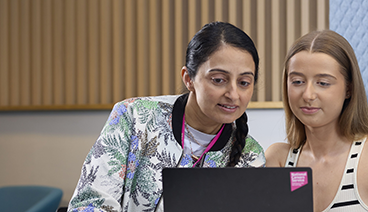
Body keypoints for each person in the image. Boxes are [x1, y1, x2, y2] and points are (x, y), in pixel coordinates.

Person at [67, 22, 265, 212]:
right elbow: (90, 203)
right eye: (219, 80)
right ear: (188, 79)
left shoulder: (251, 156)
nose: (233, 94)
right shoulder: (134, 116)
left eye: (244, 82)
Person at [265, 30, 368, 212]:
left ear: (349, 89)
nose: (308, 95)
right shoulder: (278, 159)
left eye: (323, 83)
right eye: (297, 81)